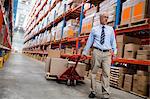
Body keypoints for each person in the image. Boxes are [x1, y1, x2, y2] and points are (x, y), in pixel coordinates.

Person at [82, 12, 117, 99]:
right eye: (105, 17)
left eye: (107, 17)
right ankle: (93, 91)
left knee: (106, 74)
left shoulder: (110, 29)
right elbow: (89, 41)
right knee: (93, 72)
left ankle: (105, 94)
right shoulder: (94, 29)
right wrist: (85, 52)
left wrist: (115, 52)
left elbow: (113, 42)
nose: (106, 19)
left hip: (107, 54)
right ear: (100, 18)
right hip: (96, 52)